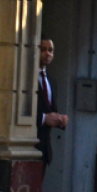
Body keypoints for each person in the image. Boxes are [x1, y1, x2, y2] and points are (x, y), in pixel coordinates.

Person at [37, 36, 68, 167]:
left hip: (44, 150)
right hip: (29, 145)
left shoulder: (51, 80)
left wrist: (60, 119)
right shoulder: (27, 77)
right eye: (43, 49)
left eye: (51, 50)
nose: (48, 53)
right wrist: (44, 118)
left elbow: (51, 110)